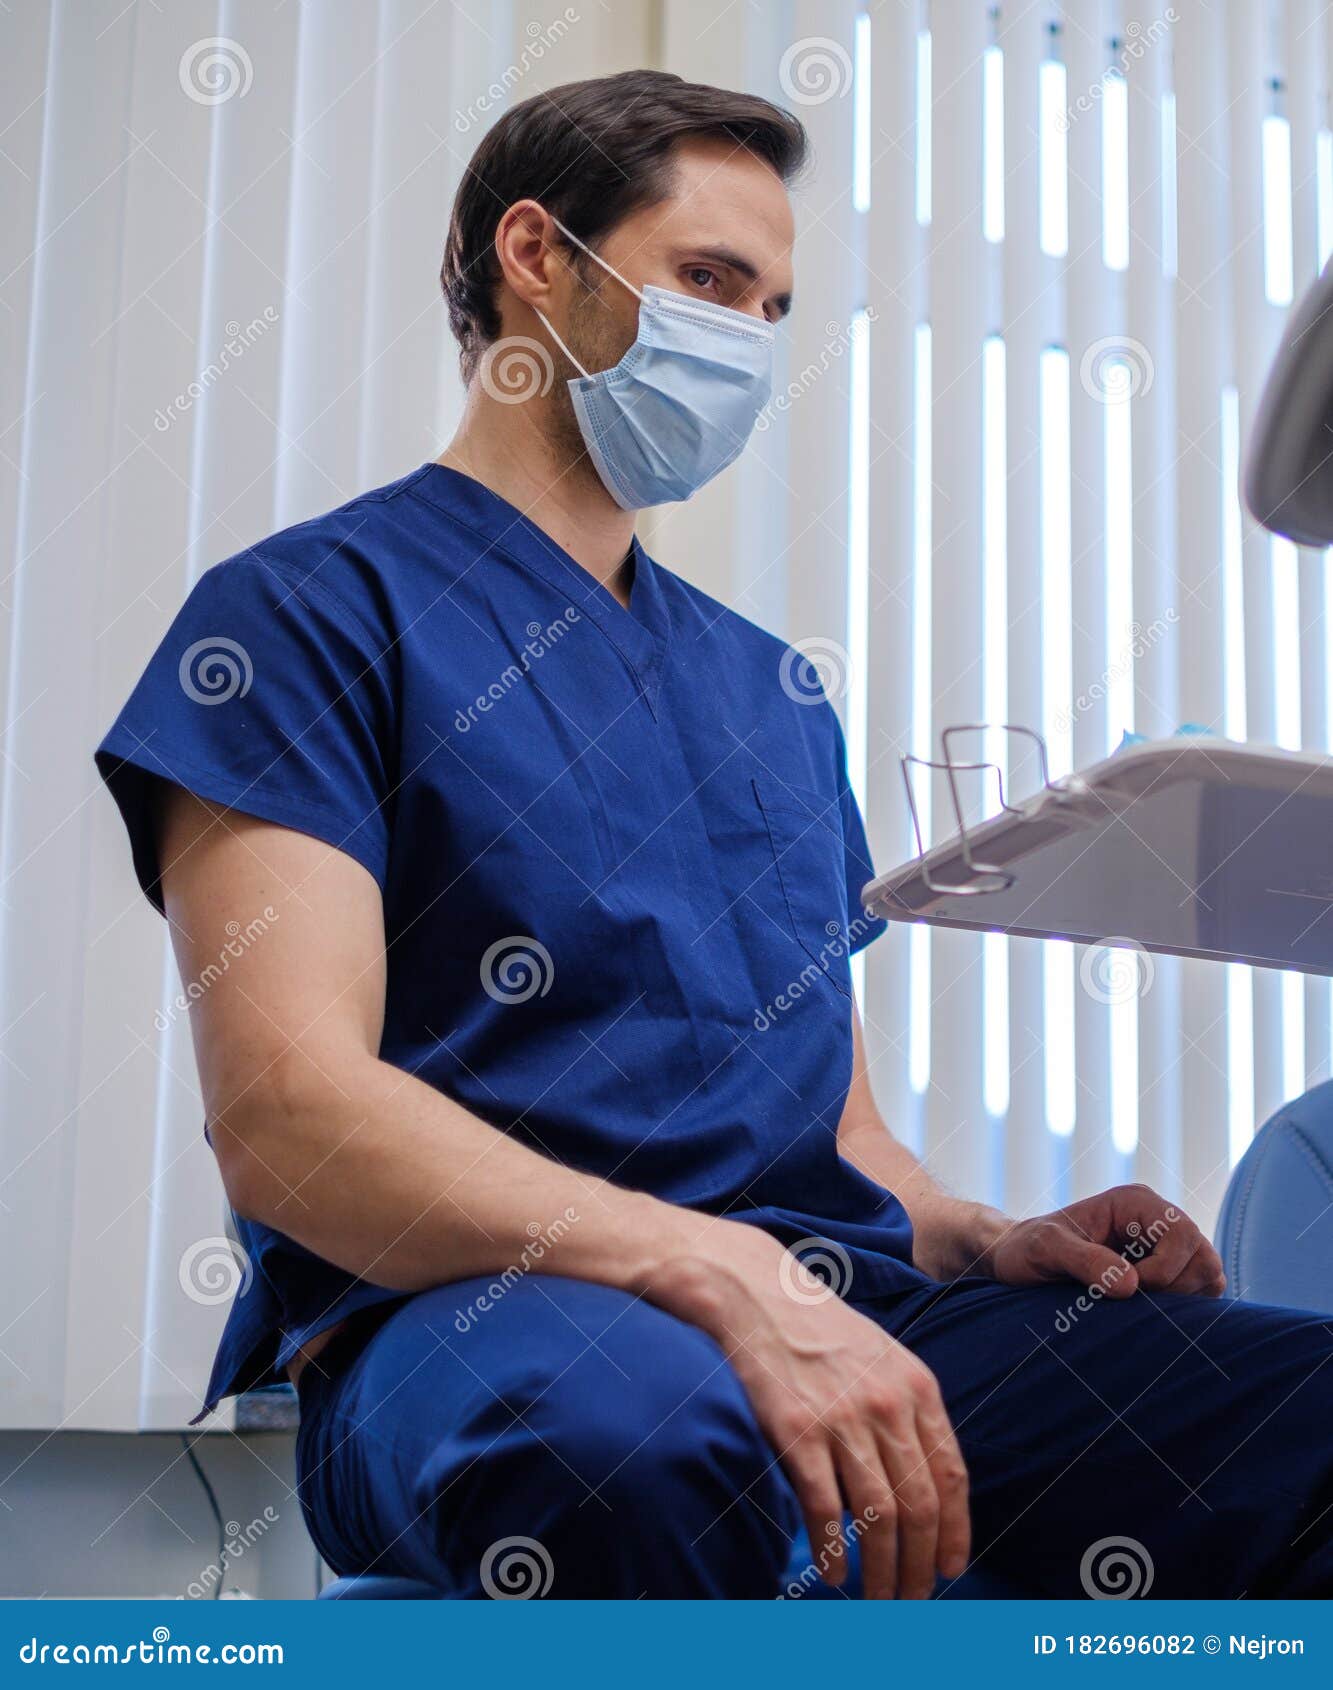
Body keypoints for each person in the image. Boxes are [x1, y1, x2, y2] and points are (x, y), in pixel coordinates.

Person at [97, 69, 1333, 1601]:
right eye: (706, 282)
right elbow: (287, 1112)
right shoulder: (305, 617)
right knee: (641, 1444)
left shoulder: (770, 692)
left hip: (843, 1304)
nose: (745, 342)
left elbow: (845, 1133)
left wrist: (974, 1232)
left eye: (771, 308)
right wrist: (707, 1261)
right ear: (536, 257)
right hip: (485, 1318)